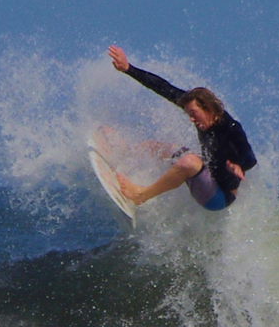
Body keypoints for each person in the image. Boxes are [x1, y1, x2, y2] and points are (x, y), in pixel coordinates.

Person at [107, 45, 256, 211]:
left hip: (219, 196)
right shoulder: (199, 116)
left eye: (194, 113)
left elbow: (250, 157)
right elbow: (163, 87)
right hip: (206, 176)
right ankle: (123, 155)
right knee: (160, 147)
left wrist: (240, 166)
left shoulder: (231, 128)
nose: (191, 119)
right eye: (188, 114)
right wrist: (128, 69)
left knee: (190, 162)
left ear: (207, 107)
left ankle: (141, 195)